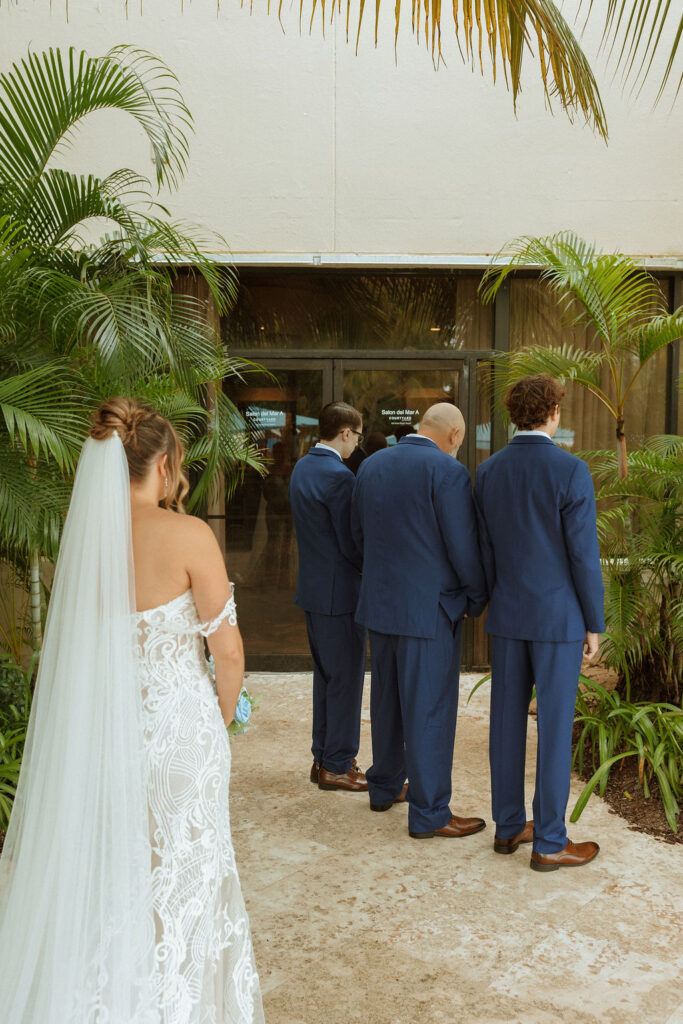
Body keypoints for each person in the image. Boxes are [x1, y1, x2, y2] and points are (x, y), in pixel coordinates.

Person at [0, 398, 264, 1023]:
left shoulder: (84, 545)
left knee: (110, 879)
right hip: (179, 740)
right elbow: (226, 653)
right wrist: (220, 722)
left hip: (101, 736)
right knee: (185, 885)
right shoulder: (190, 534)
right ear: (166, 462)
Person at [474, 374, 604, 872]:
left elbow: (484, 549)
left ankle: (508, 828)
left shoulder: (488, 471)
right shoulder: (570, 470)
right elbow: (582, 556)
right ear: (553, 413)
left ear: (514, 414)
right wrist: (595, 621)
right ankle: (549, 840)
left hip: (507, 615)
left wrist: (489, 600)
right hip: (558, 619)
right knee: (553, 727)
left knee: (506, 724)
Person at [351, 403, 488, 838]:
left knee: (387, 700)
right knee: (429, 708)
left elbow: (358, 535)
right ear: (454, 434)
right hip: (429, 609)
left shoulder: (371, 466)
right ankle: (430, 814)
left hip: (380, 604)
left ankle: (384, 787)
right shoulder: (447, 472)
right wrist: (477, 596)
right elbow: (462, 545)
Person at [288, 401, 368, 792]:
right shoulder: (340, 477)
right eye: (357, 435)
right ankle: (337, 764)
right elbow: (351, 542)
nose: (357, 444)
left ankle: (322, 758)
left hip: (314, 590)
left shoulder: (302, 467)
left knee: (326, 677)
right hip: (341, 593)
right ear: (346, 432)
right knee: (346, 680)